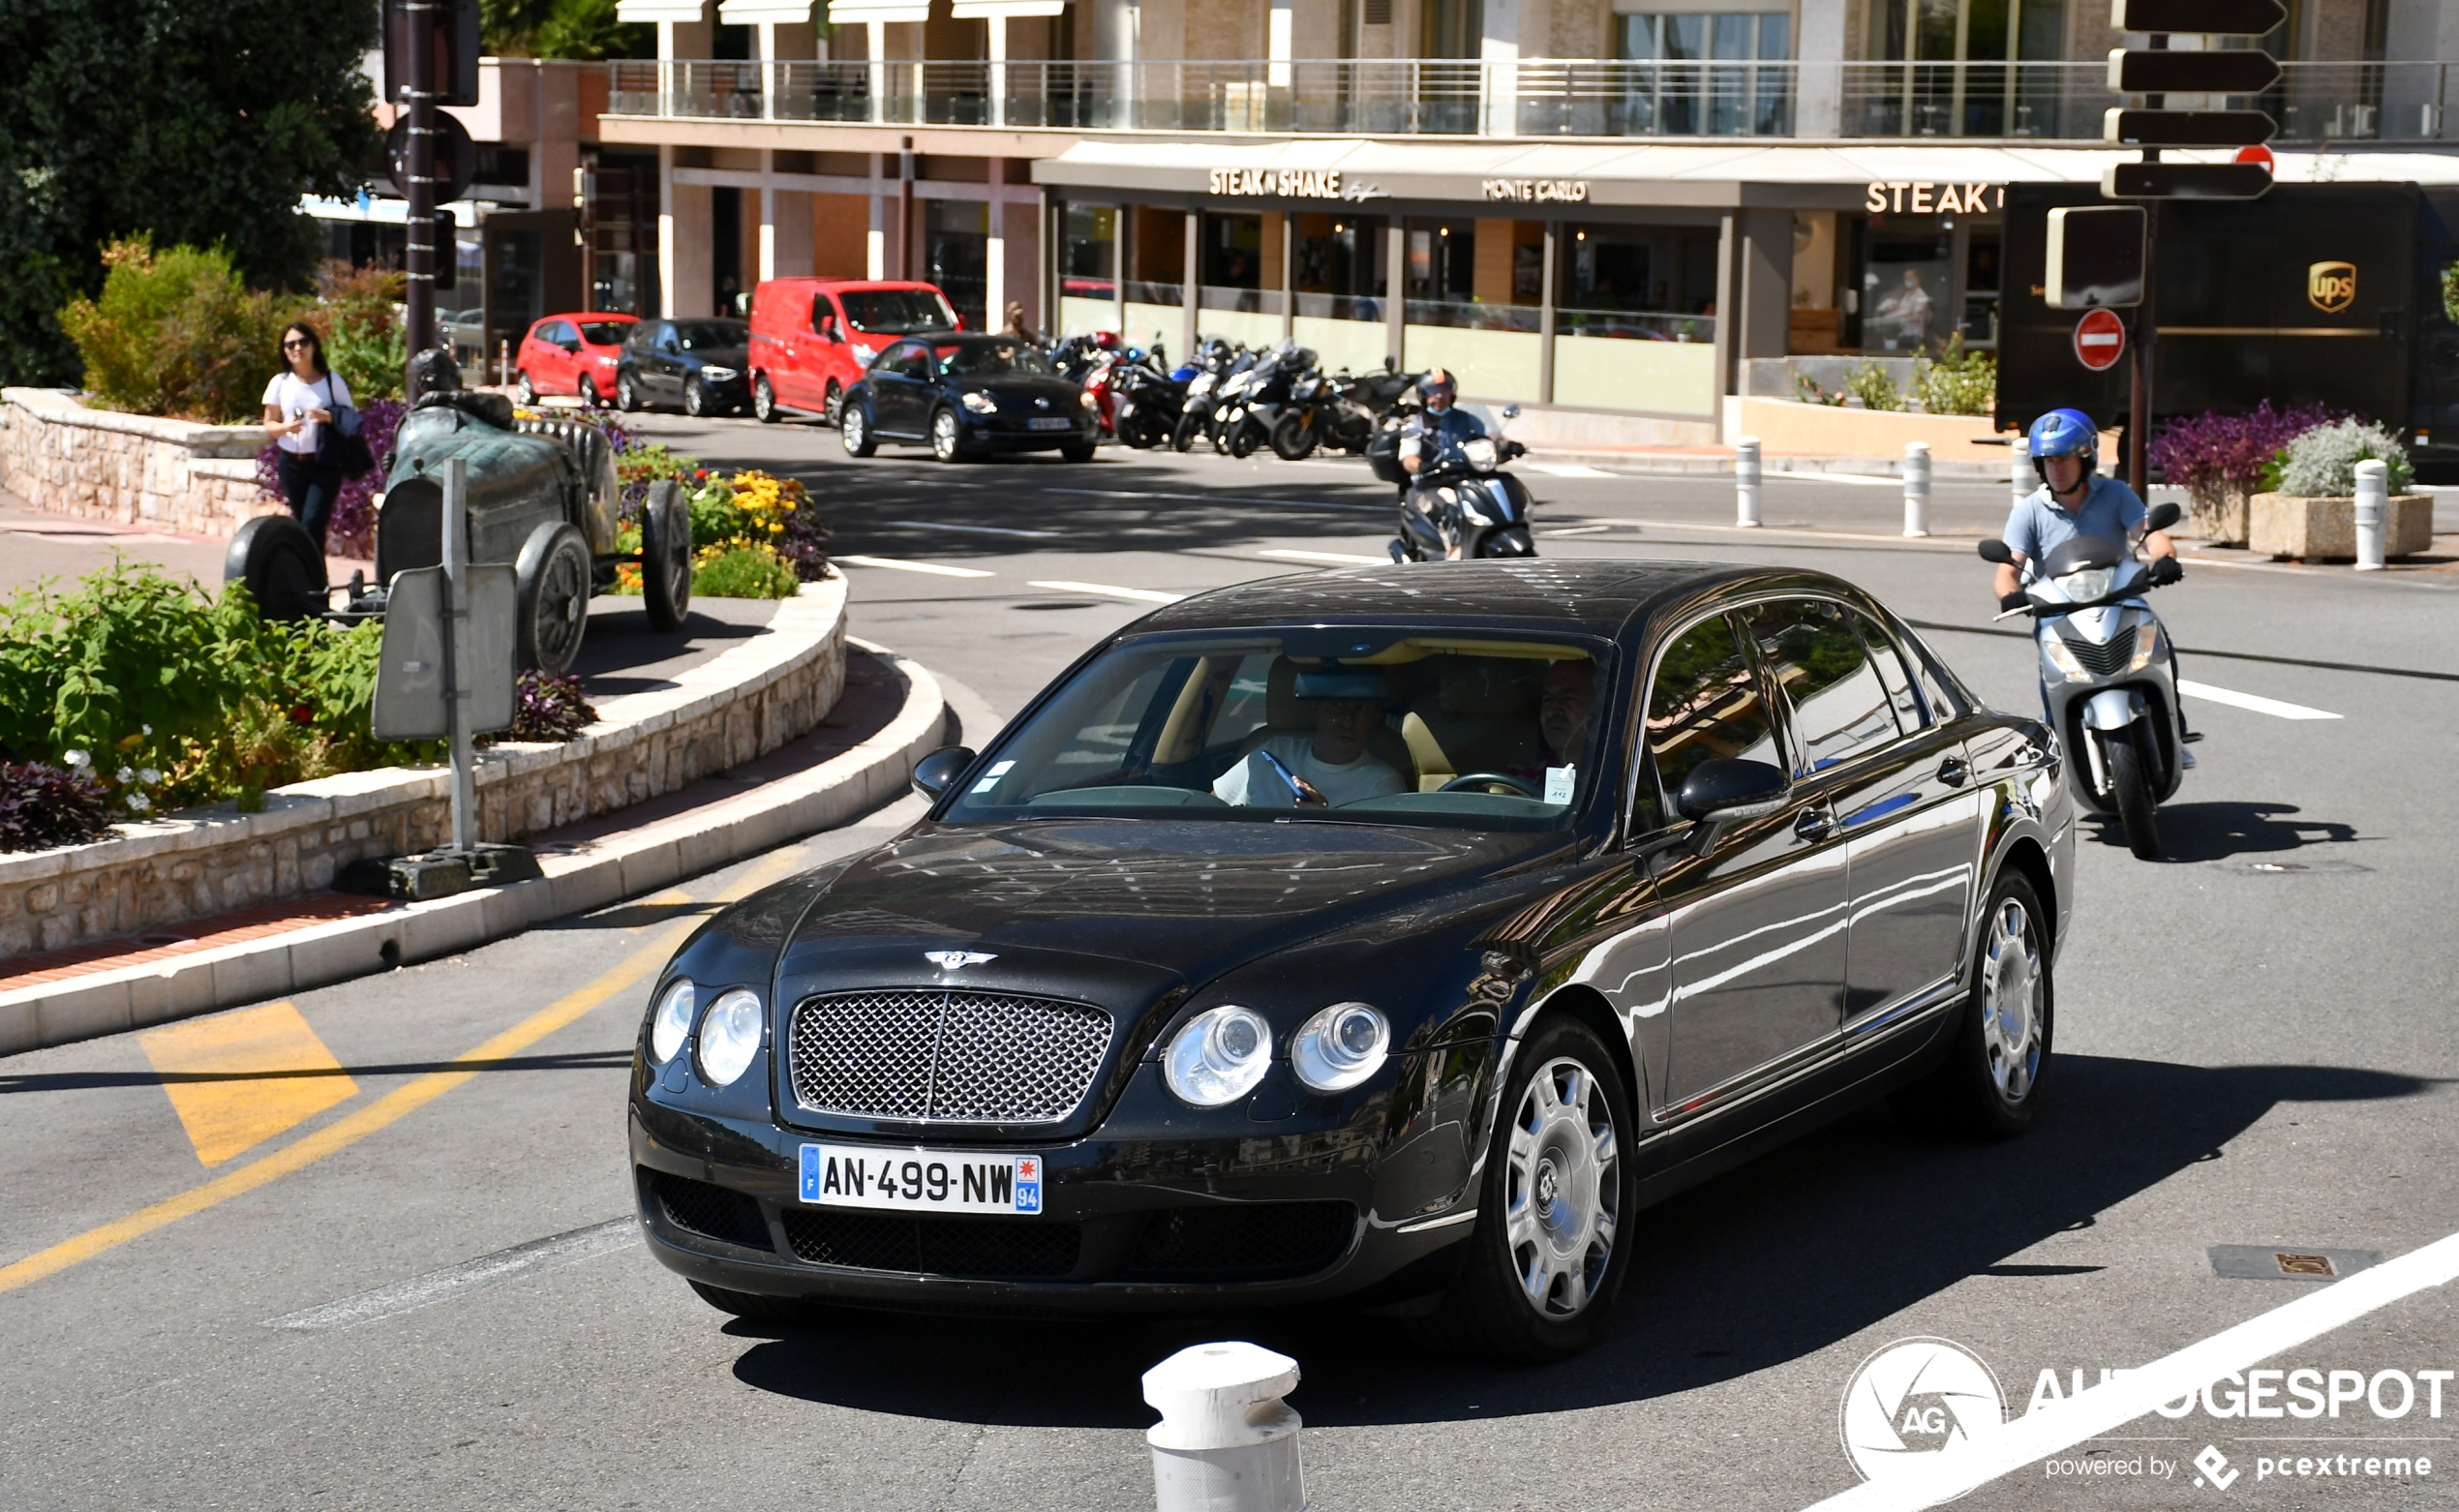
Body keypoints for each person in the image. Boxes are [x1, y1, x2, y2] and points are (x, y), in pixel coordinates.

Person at [1212, 671, 1406, 808]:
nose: (1347, 720)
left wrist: (1322, 820)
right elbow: (1210, 807)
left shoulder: (1382, 783)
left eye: (1361, 709)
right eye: (1337, 706)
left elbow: (1382, 854)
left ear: (1376, 717)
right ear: (1316, 709)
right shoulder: (1272, 751)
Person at [261, 322, 350, 551]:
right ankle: (310, 580)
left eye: (303, 342)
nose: (297, 348)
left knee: (313, 522)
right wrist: (286, 428)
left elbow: (351, 418)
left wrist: (329, 416)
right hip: (291, 463)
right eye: (290, 344)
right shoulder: (280, 383)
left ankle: (316, 582)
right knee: (302, 525)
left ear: (314, 346)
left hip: (324, 463)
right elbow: (269, 424)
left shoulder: (332, 381)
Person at [1398, 368, 1486, 559]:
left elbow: (1486, 440)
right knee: (1455, 505)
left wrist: (1506, 446)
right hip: (1433, 485)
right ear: (1422, 395)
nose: (1439, 396)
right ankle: (1454, 560)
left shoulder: (1466, 420)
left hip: (1467, 480)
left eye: (1444, 390)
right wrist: (1421, 466)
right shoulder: (1414, 426)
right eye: (1433, 391)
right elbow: (1408, 458)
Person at [1538, 659, 1594, 768]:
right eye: (1547, 699)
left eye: (1568, 698)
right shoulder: (1517, 779)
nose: (1552, 712)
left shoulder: (1622, 776)